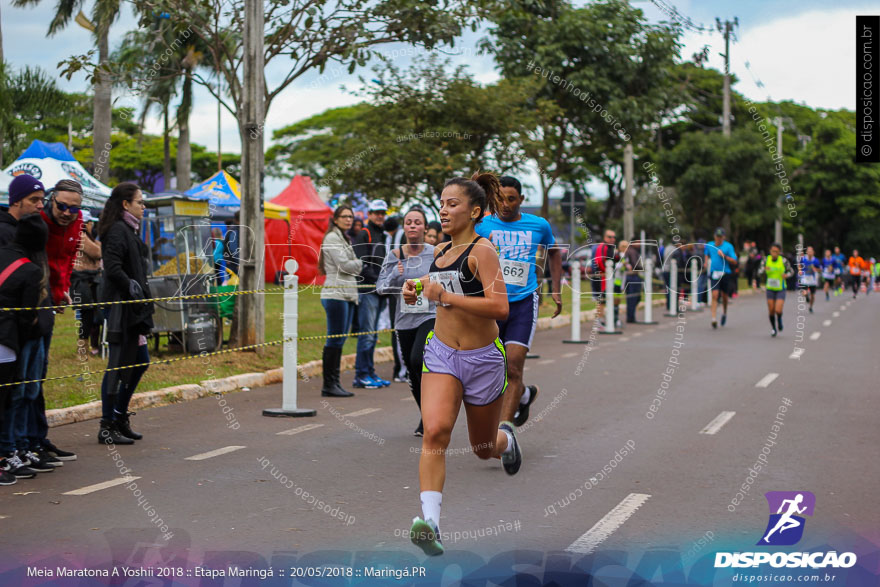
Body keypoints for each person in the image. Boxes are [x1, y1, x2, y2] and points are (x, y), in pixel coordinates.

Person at [401, 172, 518, 557]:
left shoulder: (483, 251)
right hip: (442, 353)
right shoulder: (439, 253)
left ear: (475, 211)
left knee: (482, 448)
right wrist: (417, 289)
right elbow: (437, 290)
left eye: (453, 204)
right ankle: (430, 524)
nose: (444, 210)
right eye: (442, 203)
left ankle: (506, 440)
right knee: (435, 431)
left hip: (482, 359)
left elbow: (499, 307)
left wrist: (445, 296)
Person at [475, 176, 562, 428]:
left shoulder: (539, 225)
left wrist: (556, 290)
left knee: (513, 367)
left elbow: (554, 252)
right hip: (490, 304)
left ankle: (505, 432)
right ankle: (524, 395)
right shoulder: (482, 225)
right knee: (492, 370)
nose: (505, 204)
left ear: (521, 200)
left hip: (523, 302)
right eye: (500, 199)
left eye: (511, 199)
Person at [97, 183, 154, 445]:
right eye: (139, 202)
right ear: (125, 204)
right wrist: (130, 285)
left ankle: (119, 416)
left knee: (139, 361)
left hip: (134, 307)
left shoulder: (130, 229)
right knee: (118, 366)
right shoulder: (118, 230)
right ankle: (107, 425)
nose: (143, 206)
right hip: (121, 308)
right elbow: (112, 266)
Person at [0, 215, 55, 482]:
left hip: (9, 340)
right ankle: (12, 449)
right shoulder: (31, 271)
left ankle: (17, 448)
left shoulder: (2, 254)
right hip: (16, 341)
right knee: (18, 395)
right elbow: (27, 316)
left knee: (15, 396)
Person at [37, 179, 85, 461]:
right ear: (51, 200)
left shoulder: (77, 225)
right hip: (29, 306)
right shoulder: (38, 222)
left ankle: (38, 439)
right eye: (62, 206)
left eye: (74, 209)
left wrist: (62, 290)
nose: (66, 212)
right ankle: (21, 444)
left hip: (51, 305)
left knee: (39, 374)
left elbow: (67, 260)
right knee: (26, 381)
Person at [377, 208, 436, 435]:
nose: (413, 226)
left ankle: (432, 414)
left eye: (417, 222)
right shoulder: (395, 255)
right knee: (412, 370)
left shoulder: (435, 252)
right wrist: (395, 275)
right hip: (403, 320)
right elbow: (381, 288)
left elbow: (444, 278)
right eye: (409, 222)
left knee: (416, 357)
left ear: (425, 228)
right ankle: (426, 417)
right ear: (404, 227)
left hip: (429, 315)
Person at [318, 205, 362, 397]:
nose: (348, 219)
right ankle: (329, 384)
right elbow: (345, 266)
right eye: (344, 216)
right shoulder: (332, 238)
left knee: (340, 339)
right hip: (335, 294)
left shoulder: (344, 238)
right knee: (335, 339)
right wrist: (361, 263)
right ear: (335, 219)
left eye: (350, 216)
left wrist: (355, 264)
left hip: (346, 294)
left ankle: (334, 382)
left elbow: (348, 265)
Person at [351, 200, 391, 389]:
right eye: (376, 213)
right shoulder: (364, 233)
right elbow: (361, 265)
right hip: (367, 290)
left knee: (373, 335)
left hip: (380, 291)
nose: (380, 216)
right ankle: (361, 374)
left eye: (382, 213)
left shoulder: (381, 235)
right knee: (366, 335)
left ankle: (370, 371)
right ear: (370, 214)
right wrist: (378, 281)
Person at [71, 210, 103, 355]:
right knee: (87, 315)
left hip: (90, 280)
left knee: (92, 315)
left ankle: (92, 346)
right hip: (82, 280)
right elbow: (97, 252)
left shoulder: (87, 237)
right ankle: (83, 347)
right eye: (90, 223)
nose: (92, 226)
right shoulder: (80, 236)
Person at [383, 215, 407, 382]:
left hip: (403, 287)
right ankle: (401, 369)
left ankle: (403, 368)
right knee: (398, 327)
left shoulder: (391, 237)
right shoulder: (392, 238)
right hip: (397, 288)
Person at [757, 243, 794, 337]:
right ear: (770, 251)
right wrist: (764, 270)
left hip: (781, 288)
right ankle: (773, 328)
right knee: (771, 310)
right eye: (773, 251)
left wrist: (786, 275)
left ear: (779, 252)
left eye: (776, 252)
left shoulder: (783, 261)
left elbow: (791, 271)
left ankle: (780, 319)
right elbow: (759, 272)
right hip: (770, 288)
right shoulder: (766, 260)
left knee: (778, 309)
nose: (774, 253)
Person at [704, 228, 737, 329]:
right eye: (717, 236)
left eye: (720, 237)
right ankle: (713, 318)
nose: (718, 239)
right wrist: (705, 263)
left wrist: (725, 256)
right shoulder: (709, 245)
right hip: (714, 273)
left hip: (725, 273)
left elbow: (735, 261)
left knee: (724, 296)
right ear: (714, 236)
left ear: (723, 237)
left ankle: (724, 312)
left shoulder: (728, 246)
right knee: (715, 295)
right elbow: (706, 254)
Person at [0, 174, 46, 246]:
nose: (41, 206)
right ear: (16, 201)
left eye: (42, 200)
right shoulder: (3, 233)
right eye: (34, 200)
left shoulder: (30, 230)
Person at [591, 229, 622, 328]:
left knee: (609, 299)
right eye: (610, 237)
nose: (612, 239)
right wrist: (607, 272)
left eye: (614, 237)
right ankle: (599, 321)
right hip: (602, 277)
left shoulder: (610, 247)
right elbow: (600, 261)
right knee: (602, 300)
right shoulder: (603, 246)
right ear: (605, 237)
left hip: (608, 277)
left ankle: (609, 319)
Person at [797, 246, 820, 313]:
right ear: (807, 252)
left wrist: (815, 269)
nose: (810, 253)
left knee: (812, 295)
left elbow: (820, 270)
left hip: (813, 279)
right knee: (804, 291)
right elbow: (799, 265)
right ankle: (806, 296)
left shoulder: (816, 260)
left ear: (813, 252)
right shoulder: (803, 259)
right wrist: (800, 270)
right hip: (805, 278)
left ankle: (810, 307)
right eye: (808, 251)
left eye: (811, 251)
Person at [223, 213, 240, 277]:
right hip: (234, 264)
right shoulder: (234, 230)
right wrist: (238, 263)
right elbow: (233, 248)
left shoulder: (234, 229)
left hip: (232, 262)